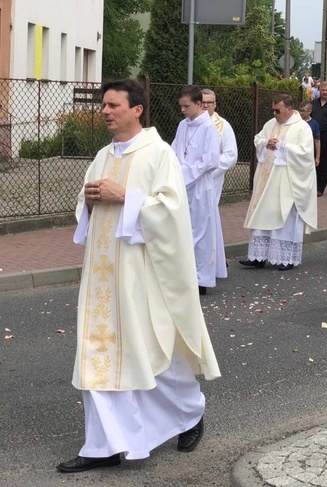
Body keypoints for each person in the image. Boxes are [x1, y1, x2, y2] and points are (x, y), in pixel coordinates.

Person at [58, 79, 220, 474]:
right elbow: (86, 203)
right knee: (98, 356)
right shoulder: (101, 155)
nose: (106, 111)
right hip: (100, 278)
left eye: (114, 105)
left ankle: (189, 411)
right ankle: (103, 445)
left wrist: (125, 197)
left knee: (149, 356)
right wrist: (91, 201)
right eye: (104, 105)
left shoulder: (158, 154)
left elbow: (170, 212)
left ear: (137, 110)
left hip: (139, 275)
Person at [241, 94, 317, 271]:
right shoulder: (270, 124)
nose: (275, 114)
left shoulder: (302, 128)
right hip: (266, 182)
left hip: (288, 183)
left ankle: (286, 258)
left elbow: (305, 154)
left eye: (278, 110)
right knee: (262, 215)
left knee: (285, 219)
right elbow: (257, 139)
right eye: (273, 110)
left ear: (289, 109)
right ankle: (258, 256)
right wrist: (266, 142)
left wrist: (283, 146)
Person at [171, 85, 222, 295]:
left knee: (200, 233)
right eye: (181, 106)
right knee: (182, 229)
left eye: (186, 106)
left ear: (199, 104)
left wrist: (185, 174)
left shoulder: (208, 127)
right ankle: (183, 275)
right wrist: (173, 171)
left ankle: (201, 279)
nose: (182, 110)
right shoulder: (183, 125)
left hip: (200, 185)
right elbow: (174, 150)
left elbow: (211, 160)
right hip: (182, 185)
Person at [201, 89, 237, 270]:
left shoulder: (223, 126)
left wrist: (209, 170)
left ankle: (214, 260)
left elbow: (231, 155)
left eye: (209, 102)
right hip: (192, 181)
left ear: (215, 104)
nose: (206, 106)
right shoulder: (190, 124)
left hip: (211, 179)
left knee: (209, 216)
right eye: (203, 102)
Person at [298, 100, 321, 167]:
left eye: (303, 111)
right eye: (300, 110)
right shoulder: (296, 122)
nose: (300, 113)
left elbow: (317, 141)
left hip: (308, 153)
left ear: (309, 111)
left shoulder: (314, 124)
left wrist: (317, 157)